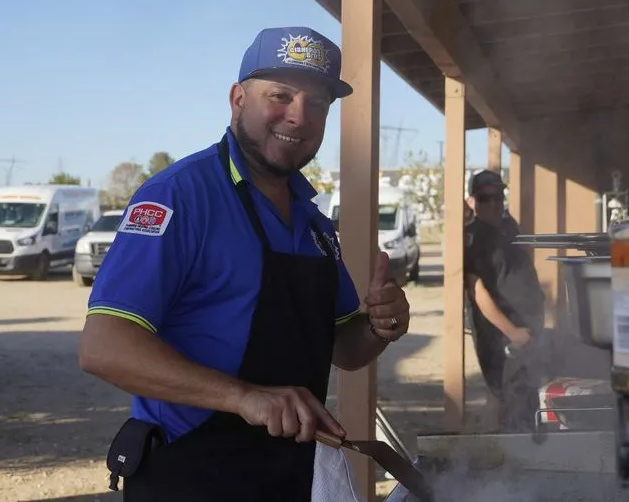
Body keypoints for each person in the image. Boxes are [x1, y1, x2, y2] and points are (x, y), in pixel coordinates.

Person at [78, 27, 411, 501]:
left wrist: (380, 326)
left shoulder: (314, 223)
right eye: (280, 95)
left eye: (317, 104)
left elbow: (345, 349)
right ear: (237, 98)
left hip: (288, 476)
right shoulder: (179, 197)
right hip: (192, 475)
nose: (298, 115)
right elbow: (103, 346)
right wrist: (245, 397)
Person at [463, 170, 545, 433]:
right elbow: (477, 292)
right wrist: (513, 333)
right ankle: (518, 467)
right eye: (485, 198)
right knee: (516, 411)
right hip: (504, 341)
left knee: (531, 405)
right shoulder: (473, 238)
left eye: (498, 196)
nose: (494, 204)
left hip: (528, 331)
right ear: (471, 201)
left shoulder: (508, 228)